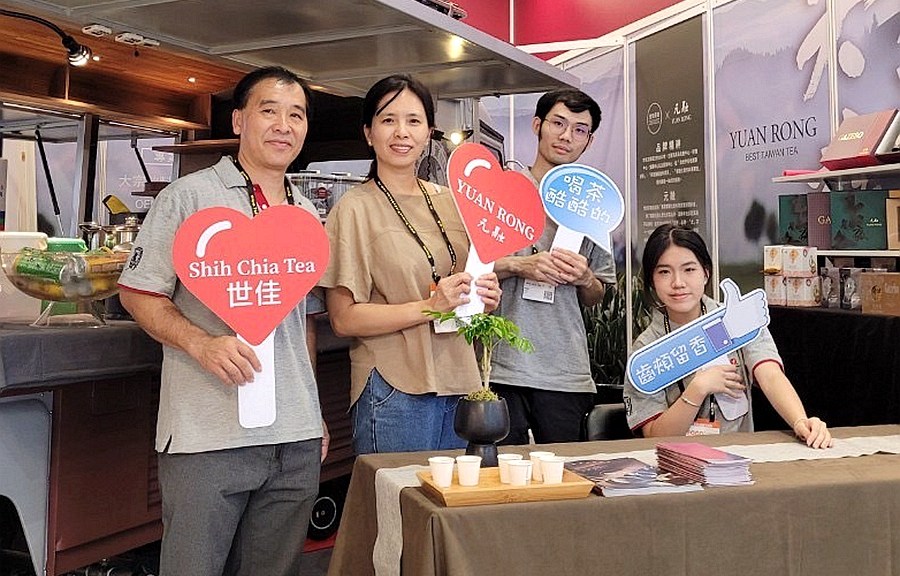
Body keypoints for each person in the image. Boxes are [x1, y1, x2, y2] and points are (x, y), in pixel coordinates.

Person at [118, 66, 329, 575]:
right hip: (207, 435)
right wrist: (200, 343)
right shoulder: (188, 197)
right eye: (269, 110)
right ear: (238, 121)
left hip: (294, 437)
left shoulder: (305, 213)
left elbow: (302, 320)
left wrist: (313, 411)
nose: (283, 125)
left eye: (296, 115)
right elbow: (137, 292)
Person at [319, 74, 502, 454]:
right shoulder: (353, 209)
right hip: (393, 386)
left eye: (414, 121)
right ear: (368, 133)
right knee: (397, 493)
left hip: (459, 381)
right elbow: (343, 319)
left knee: (452, 494)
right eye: (388, 120)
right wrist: (430, 306)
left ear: (429, 132)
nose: (401, 132)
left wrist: (482, 298)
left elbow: (464, 292)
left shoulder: (453, 201)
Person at [622, 223, 833, 448]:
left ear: (706, 273)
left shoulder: (737, 317)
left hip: (739, 457)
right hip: (676, 462)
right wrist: (697, 389)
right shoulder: (646, 349)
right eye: (664, 272)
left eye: (689, 269)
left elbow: (769, 375)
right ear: (652, 280)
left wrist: (800, 421)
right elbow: (654, 436)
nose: (678, 283)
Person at [491, 89, 616, 445]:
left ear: (589, 141)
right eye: (558, 123)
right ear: (537, 126)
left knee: (564, 473)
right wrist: (520, 265)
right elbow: (470, 269)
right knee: (501, 473)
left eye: (579, 130)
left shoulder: (592, 203)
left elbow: (598, 293)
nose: (566, 136)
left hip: (565, 373)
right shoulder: (502, 191)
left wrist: (585, 277)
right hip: (502, 368)